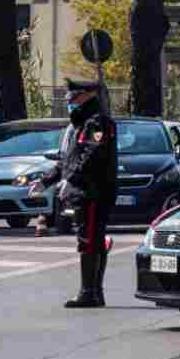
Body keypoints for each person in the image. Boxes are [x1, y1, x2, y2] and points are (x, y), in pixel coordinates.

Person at [31, 79, 116, 308]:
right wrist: (46, 181)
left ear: (87, 95)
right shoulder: (82, 123)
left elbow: (92, 155)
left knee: (88, 240)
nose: (71, 102)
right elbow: (69, 160)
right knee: (92, 239)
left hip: (93, 191)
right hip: (84, 189)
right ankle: (94, 292)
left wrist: (72, 180)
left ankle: (88, 292)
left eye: (75, 97)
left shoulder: (97, 121)